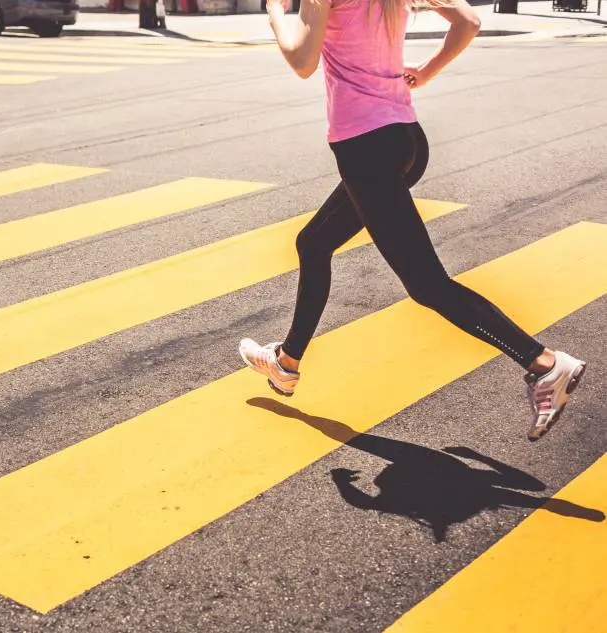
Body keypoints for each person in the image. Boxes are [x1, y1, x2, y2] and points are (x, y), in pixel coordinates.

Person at [238, 0, 587, 441]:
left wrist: (274, 13)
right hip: (405, 139)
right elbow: (469, 20)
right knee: (314, 243)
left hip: (366, 149)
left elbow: (303, 62)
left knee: (428, 286)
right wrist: (427, 72)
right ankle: (287, 364)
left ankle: (545, 364)